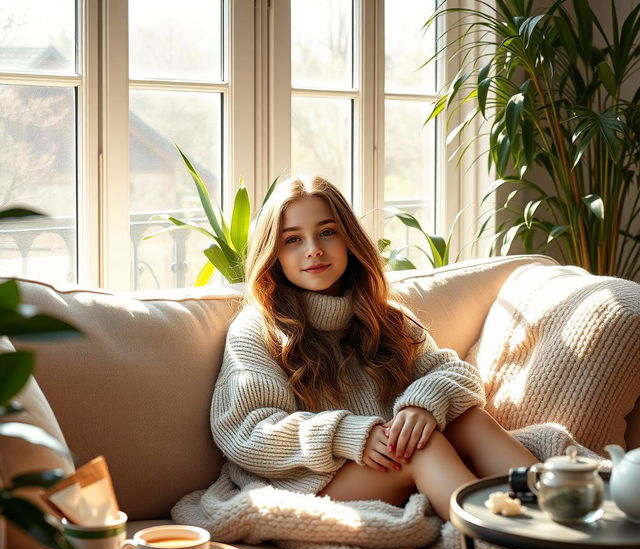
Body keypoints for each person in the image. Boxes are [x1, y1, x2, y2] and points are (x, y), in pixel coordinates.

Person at [211, 175, 537, 521]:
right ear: (273, 254)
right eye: (292, 239)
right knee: (422, 450)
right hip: (308, 482)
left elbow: (457, 375)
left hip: (387, 461)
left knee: (469, 419)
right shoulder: (257, 329)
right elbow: (245, 431)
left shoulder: (386, 316)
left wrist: (423, 406)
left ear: (349, 239)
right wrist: (347, 435)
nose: (313, 250)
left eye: (327, 232)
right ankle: (500, 539)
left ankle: (560, 513)